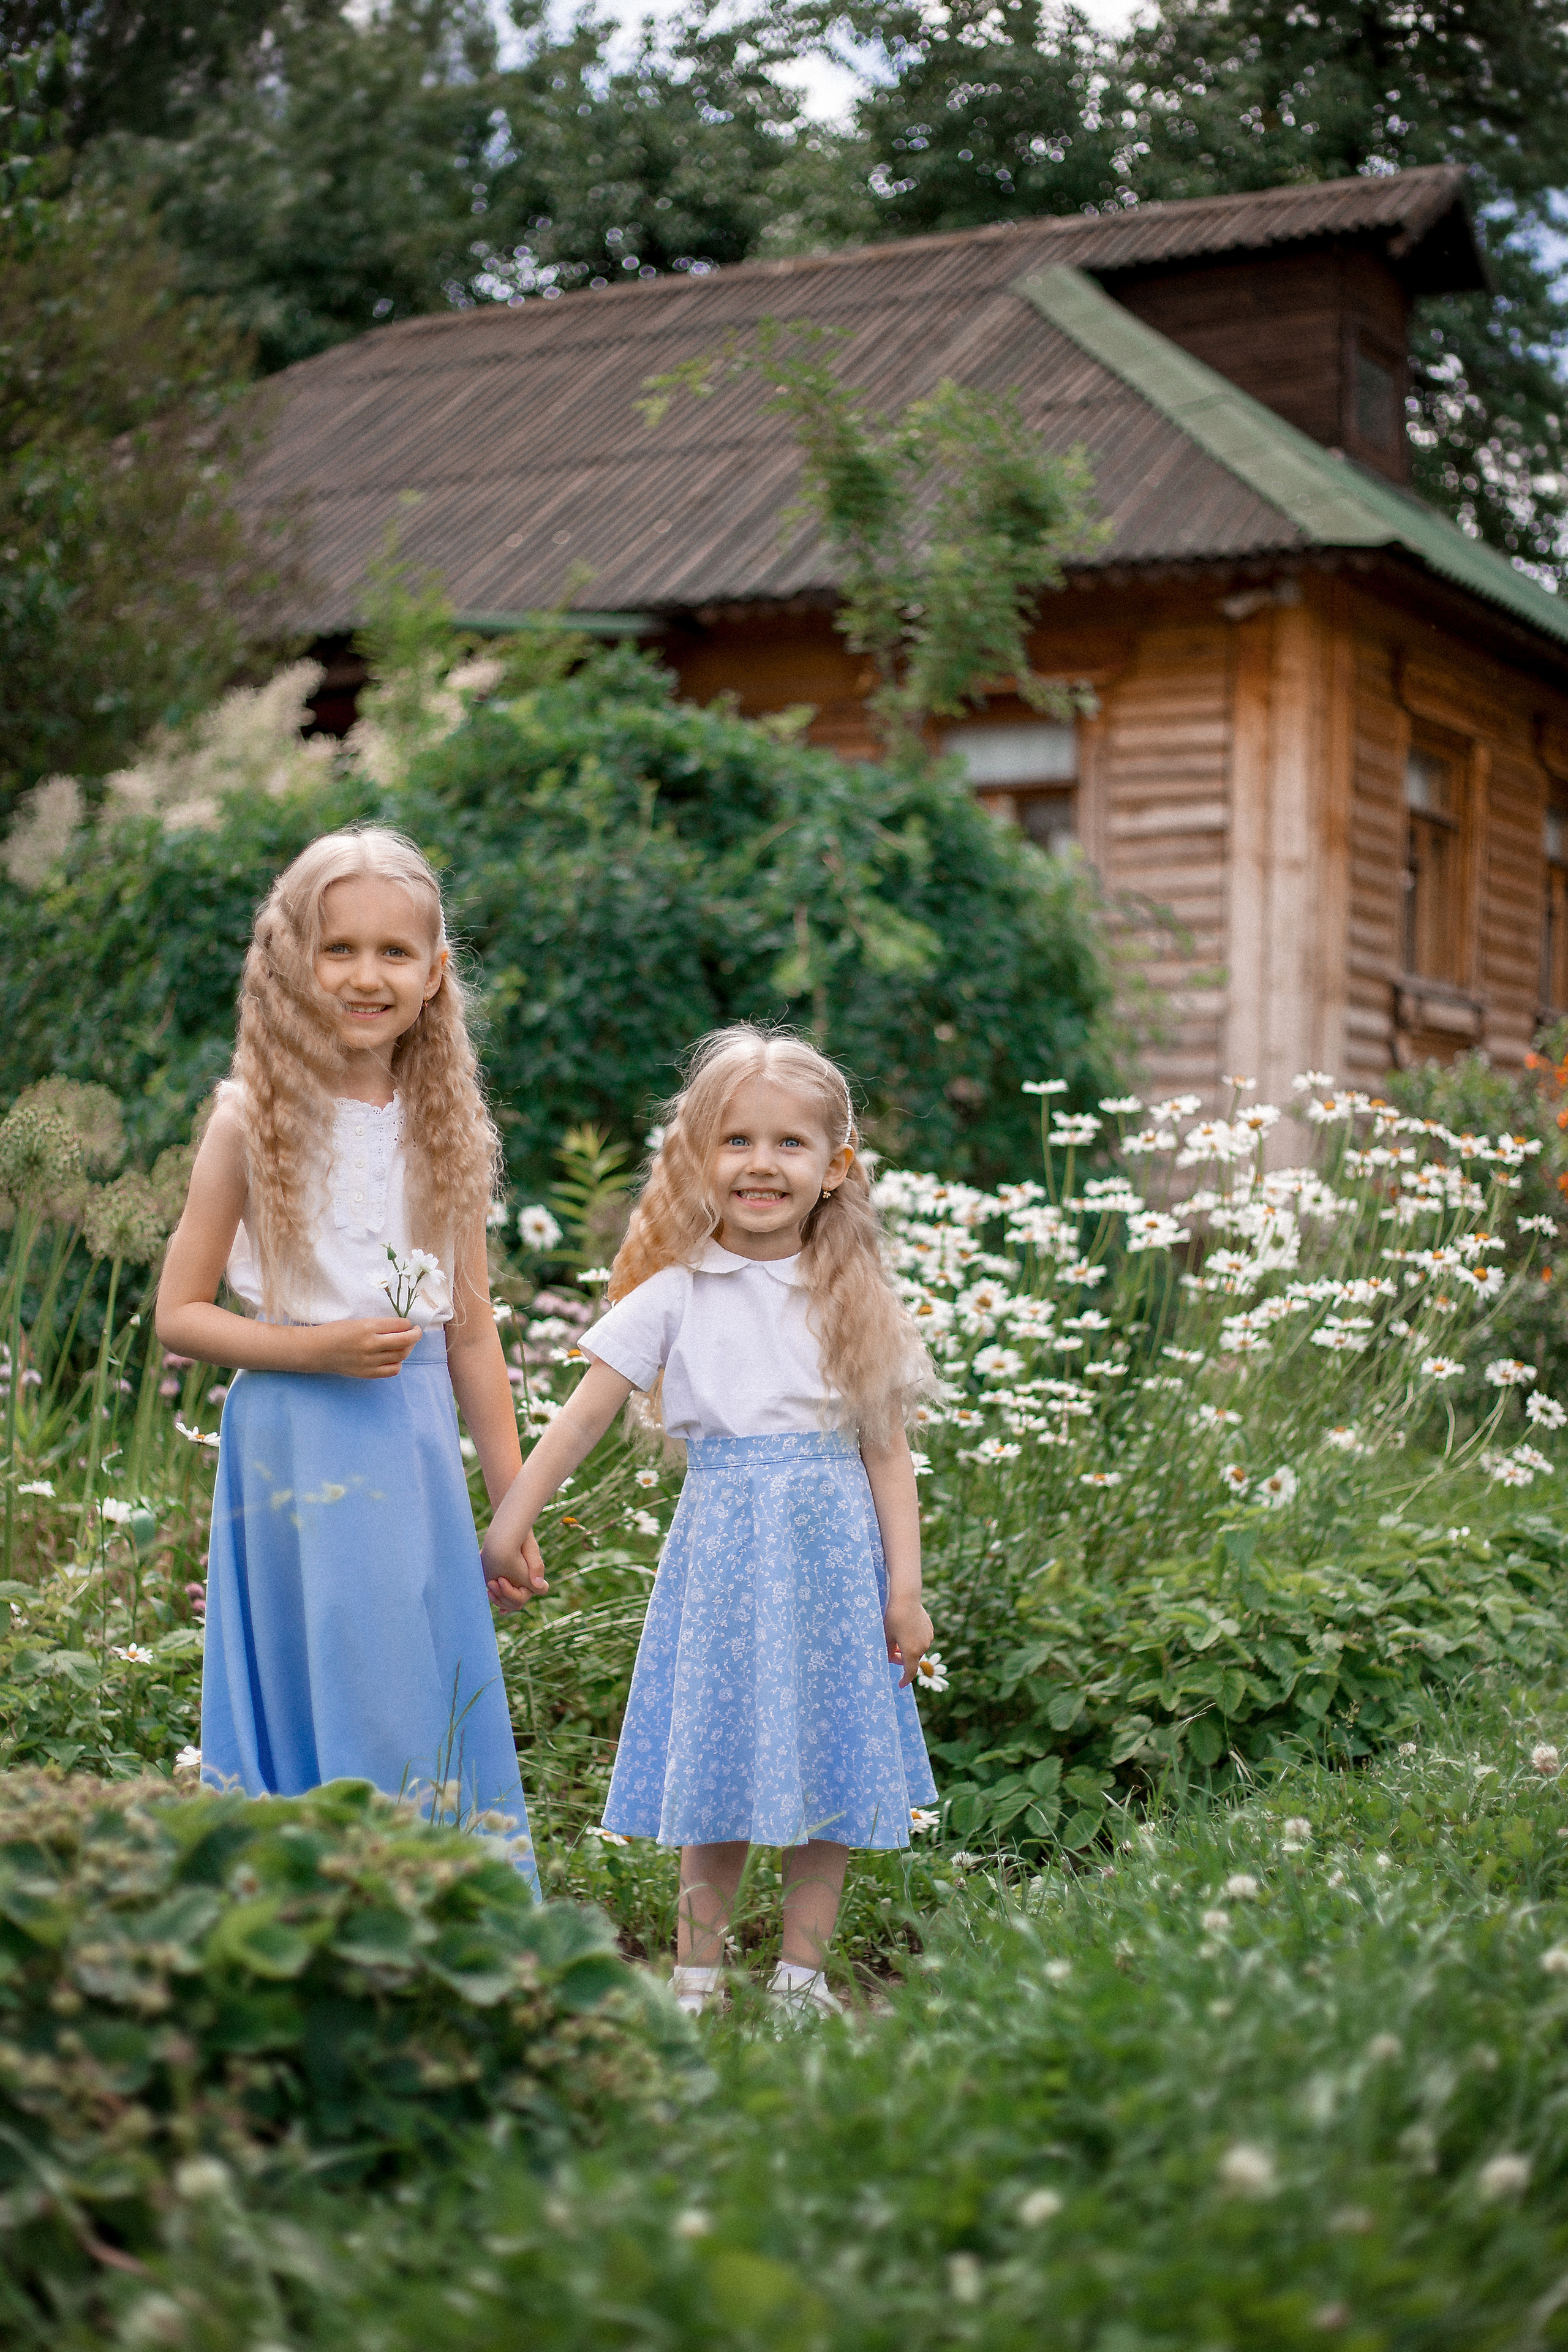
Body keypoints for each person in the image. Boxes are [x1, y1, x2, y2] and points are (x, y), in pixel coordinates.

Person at [483, 1024, 938, 2011]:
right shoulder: (673, 1298)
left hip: (831, 1563)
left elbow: (889, 1456)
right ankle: (696, 1975)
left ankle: (800, 1979)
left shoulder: (855, 1300)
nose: (761, 1164)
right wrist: (508, 1522)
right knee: (721, 1760)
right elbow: (582, 1419)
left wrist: (905, 1591)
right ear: (697, 1157)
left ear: (834, 1168)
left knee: (830, 1761)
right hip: (725, 1557)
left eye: (790, 1144)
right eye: (736, 1141)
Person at [157, 826, 539, 1887]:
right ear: (289, 960)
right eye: (338, 949)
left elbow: (468, 1333)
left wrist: (507, 1508)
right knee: (326, 1675)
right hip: (294, 1434)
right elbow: (179, 1315)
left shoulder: (441, 1121)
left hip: (409, 1444)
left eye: (394, 953)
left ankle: (436, 1915)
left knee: (412, 1679)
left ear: (434, 975)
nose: (366, 976)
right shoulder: (249, 1118)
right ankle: (315, 1914)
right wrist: (309, 1349)